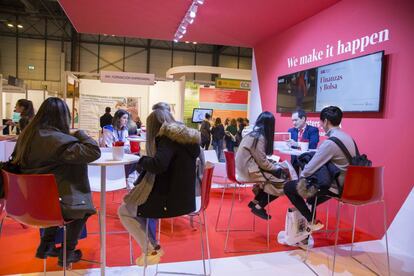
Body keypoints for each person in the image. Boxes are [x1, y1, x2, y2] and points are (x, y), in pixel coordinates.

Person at [12, 97, 100, 266]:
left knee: (59, 201)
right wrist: (80, 133)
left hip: (27, 204)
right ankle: (67, 253)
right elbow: (93, 151)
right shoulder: (59, 142)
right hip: (52, 206)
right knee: (84, 210)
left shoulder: (27, 135)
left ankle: (46, 245)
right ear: (63, 117)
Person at [118, 109, 200, 266]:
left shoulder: (166, 138)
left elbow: (159, 165)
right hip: (187, 200)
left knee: (124, 210)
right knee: (137, 209)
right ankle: (152, 247)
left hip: (168, 200)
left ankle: (150, 250)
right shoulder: (188, 139)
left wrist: (141, 160)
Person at [284, 106, 356, 232]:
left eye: (321, 122)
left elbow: (309, 169)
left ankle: (311, 221)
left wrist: (300, 177)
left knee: (289, 187)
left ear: (326, 121)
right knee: (311, 197)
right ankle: (307, 226)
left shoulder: (330, 143)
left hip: (336, 187)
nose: (321, 125)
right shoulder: (348, 138)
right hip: (350, 185)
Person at [236, 111, 296, 220]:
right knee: (283, 184)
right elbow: (263, 163)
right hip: (248, 171)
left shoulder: (253, 134)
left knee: (273, 178)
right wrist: (277, 169)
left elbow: (260, 159)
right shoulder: (259, 137)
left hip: (244, 168)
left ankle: (255, 202)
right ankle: (259, 206)